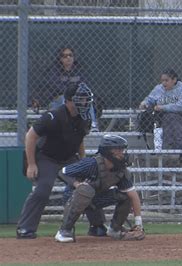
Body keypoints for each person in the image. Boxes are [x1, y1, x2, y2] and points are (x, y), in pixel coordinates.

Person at [16, 83, 93, 239]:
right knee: (43, 189)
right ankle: (25, 228)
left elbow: (80, 141)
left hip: (69, 159)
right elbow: (31, 136)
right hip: (47, 158)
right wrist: (31, 164)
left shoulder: (84, 119)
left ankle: (97, 225)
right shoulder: (53, 116)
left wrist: (83, 164)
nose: (85, 103)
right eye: (81, 99)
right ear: (69, 101)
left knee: (86, 186)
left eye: (86, 99)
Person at [54, 135, 145, 243]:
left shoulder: (121, 171)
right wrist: (77, 184)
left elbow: (133, 195)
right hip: (73, 197)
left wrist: (139, 224)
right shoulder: (91, 163)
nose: (123, 153)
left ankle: (114, 229)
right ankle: (64, 230)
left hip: (94, 199)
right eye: (119, 150)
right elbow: (62, 172)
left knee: (125, 196)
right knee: (85, 190)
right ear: (108, 152)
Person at [139, 68, 182, 167]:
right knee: (170, 119)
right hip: (165, 118)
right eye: (162, 80)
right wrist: (145, 103)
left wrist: (163, 107)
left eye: (166, 80)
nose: (163, 83)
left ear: (174, 80)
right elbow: (150, 99)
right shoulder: (159, 88)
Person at [31, 47, 100, 131]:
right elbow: (57, 87)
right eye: (65, 56)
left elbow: (84, 86)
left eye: (70, 55)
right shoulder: (54, 71)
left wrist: (76, 93)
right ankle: (68, 124)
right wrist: (73, 91)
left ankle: (92, 125)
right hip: (57, 101)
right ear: (60, 59)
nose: (68, 58)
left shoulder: (80, 70)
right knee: (65, 97)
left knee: (87, 99)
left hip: (77, 99)